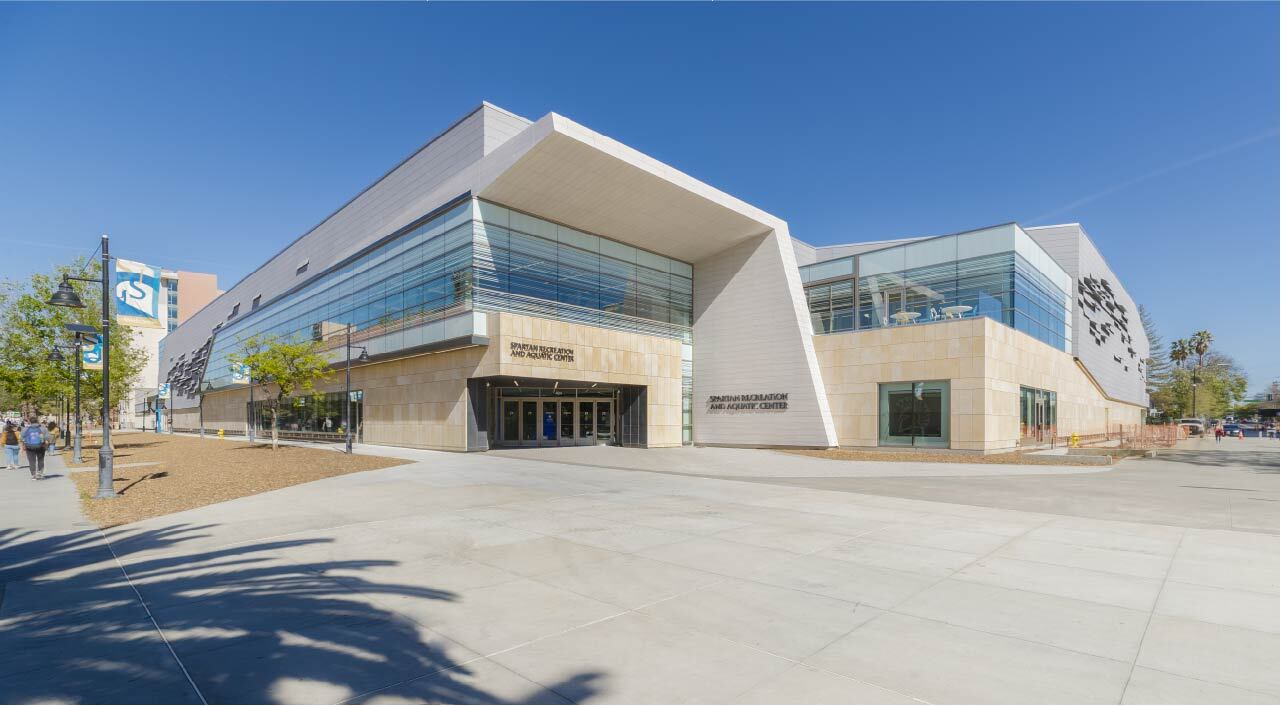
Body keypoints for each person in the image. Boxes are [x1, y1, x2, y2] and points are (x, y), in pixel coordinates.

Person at [20, 415, 51, 480]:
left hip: (29, 447)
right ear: (37, 421)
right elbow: (48, 437)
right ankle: (40, 473)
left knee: (31, 461)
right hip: (41, 446)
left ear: (29, 422)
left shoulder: (25, 429)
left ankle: (33, 475)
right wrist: (46, 445)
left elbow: (21, 438)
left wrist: (22, 448)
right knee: (40, 460)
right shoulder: (43, 428)